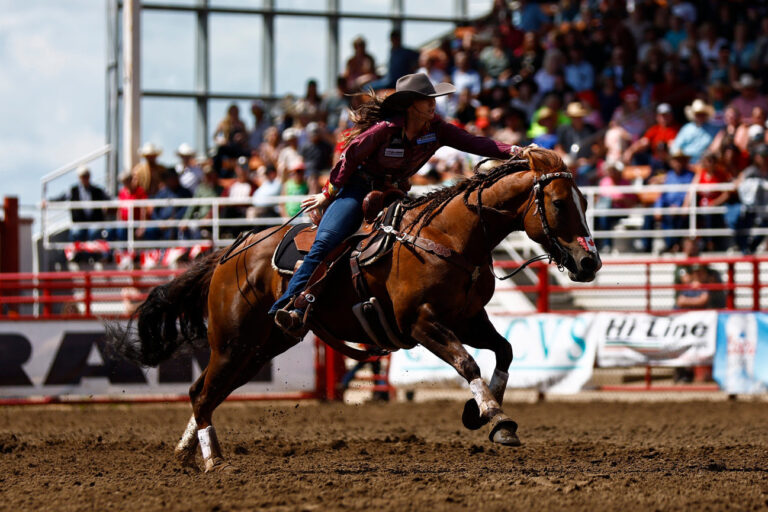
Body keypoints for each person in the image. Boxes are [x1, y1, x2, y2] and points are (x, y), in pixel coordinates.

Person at [270, 73, 523, 336]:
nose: (433, 104)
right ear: (411, 104)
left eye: (433, 99)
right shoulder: (385, 130)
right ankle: (289, 303)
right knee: (326, 241)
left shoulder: (437, 130)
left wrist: (515, 151)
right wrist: (328, 193)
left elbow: (476, 143)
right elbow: (351, 155)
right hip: (358, 189)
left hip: (395, 193)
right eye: (427, 100)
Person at [50, 165, 111, 242]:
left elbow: (109, 198)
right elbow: (61, 198)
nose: (85, 179)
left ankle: (93, 253)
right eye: (83, 176)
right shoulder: (72, 190)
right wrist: (48, 201)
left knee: (94, 232)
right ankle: (77, 253)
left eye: (86, 176)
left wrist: (106, 204)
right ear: (79, 178)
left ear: (89, 176)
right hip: (79, 223)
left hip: (94, 222)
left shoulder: (97, 190)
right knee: (76, 232)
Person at [670, 99, 720, 164]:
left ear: (706, 114)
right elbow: (675, 146)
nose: (700, 116)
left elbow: (716, 145)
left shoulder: (713, 129)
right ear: (694, 115)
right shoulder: (687, 128)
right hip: (686, 162)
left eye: (702, 114)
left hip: (705, 162)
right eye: (698, 114)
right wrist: (680, 159)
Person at [299, 122, 333, 194]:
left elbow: (330, 160)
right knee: (313, 180)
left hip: (324, 171)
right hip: (309, 172)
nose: (314, 134)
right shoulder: (304, 146)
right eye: (312, 132)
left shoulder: (326, 145)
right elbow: (301, 161)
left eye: (316, 132)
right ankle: (312, 199)